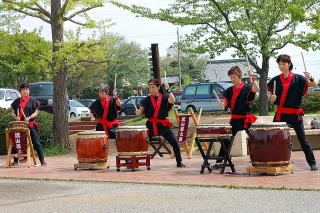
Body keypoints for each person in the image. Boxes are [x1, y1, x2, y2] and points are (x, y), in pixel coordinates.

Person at [267, 54, 318, 171]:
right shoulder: (275, 80)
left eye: (283, 64)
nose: (281, 66)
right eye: (279, 64)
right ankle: (271, 161)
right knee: (272, 137)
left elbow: (314, 85)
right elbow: (269, 96)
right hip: (281, 114)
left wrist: (310, 77)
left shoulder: (299, 78)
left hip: (295, 114)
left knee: (303, 140)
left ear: (289, 64)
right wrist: (271, 98)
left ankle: (312, 163)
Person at [135, 79, 185, 167]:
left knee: (175, 143)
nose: (151, 90)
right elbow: (140, 110)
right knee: (140, 142)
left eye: (153, 87)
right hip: (150, 125)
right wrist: (138, 112)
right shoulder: (147, 99)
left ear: (158, 87)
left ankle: (179, 162)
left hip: (163, 125)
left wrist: (168, 90)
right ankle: (135, 161)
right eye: (149, 88)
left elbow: (173, 100)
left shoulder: (165, 97)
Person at [216, 66, 260, 168]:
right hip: (235, 119)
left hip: (246, 118)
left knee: (254, 139)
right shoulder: (228, 91)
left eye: (234, 77)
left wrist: (252, 77)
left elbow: (257, 89)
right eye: (231, 77)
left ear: (239, 76)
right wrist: (222, 105)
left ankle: (259, 159)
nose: (232, 80)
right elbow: (225, 105)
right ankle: (220, 161)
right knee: (227, 139)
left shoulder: (247, 88)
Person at [11, 83, 46, 166]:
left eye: (26, 89)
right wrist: (15, 116)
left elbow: (36, 112)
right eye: (23, 90)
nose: (25, 91)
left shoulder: (33, 100)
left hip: (30, 123)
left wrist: (29, 117)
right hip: (19, 124)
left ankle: (42, 160)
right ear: (21, 91)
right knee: (16, 141)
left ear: (28, 90)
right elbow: (12, 112)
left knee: (36, 142)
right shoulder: (16, 101)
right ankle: (16, 160)